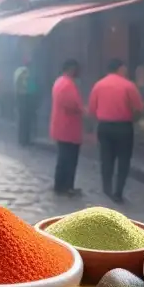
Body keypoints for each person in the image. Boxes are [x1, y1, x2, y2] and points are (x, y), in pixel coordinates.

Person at [89, 58, 143, 202]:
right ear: (120, 68)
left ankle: (107, 188)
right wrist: (134, 119)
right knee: (123, 160)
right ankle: (118, 191)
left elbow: (92, 109)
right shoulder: (128, 85)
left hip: (104, 126)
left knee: (106, 158)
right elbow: (138, 108)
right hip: (124, 127)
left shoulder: (98, 85)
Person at [49, 59, 84, 196]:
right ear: (71, 68)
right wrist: (83, 110)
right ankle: (67, 186)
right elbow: (72, 105)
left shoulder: (59, 82)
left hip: (60, 126)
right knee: (69, 158)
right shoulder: (68, 84)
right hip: (68, 127)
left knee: (63, 158)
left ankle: (59, 184)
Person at [14, 60, 39, 145]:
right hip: (27, 99)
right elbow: (32, 88)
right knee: (27, 120)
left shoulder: (17, 72)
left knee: (22, 120)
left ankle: (21, 139)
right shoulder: (29, 74)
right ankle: (26, 140)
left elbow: (15, 85)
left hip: (20, 97)